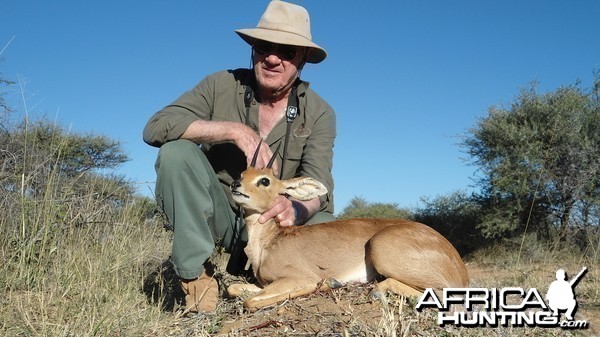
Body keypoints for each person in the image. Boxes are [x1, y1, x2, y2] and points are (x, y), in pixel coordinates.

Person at [143, 0, 336, 313]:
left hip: (274, 226)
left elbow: (320, 183)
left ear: (302, 60)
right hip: (222, 214)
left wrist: (295, 211)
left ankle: (291, 281)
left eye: (287, 52)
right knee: (175, 152)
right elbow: (156, 127)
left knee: (327, 223)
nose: (272, 58)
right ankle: (197, 280)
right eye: (264, 47)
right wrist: (234, 131)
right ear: (253, 49)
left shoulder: (319, 112)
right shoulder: (220, 84)